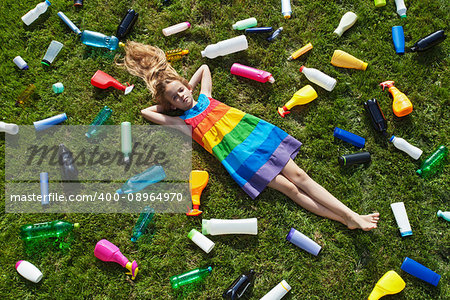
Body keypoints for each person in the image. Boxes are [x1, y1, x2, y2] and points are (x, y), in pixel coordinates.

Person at [121, 41, 379, 231]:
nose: (182, 96)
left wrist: (184, 86)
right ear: (172, 106)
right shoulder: (182, 123)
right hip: (240, 156)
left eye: (181, 90)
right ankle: (346, 219)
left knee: (300, 176)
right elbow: (147, 112)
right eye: (176, 97)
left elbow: (203, 68)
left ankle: (350, 214)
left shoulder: (205, 97)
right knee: (290, 189)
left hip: (257, 137)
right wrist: (167, 103)